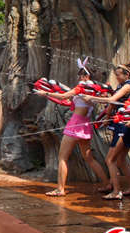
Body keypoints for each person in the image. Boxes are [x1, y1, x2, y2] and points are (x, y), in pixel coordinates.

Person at [35, 66, 109, 196]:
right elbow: (68, 101)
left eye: (81, 75)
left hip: (75, 124)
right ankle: (107, 184)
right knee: (89, 158)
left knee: (62, 157)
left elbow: (64, 97)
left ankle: (60, 189)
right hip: (85, 125)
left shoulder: (81, 88)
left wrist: (45, 93)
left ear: (86, 77)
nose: (79, 78)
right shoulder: (94, 91)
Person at [82, 63, 130, 200]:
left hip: (125, 125)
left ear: (127, 74)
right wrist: (107, 118)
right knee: (120, 160)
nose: (117, 77)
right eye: (116, 75)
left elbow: (112, 99)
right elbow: (113, 104)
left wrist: (93, 98)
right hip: (121, 124)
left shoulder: (127, 86)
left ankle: (116, 191)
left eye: (118, 74)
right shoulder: (120, 86)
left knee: (110, 159)